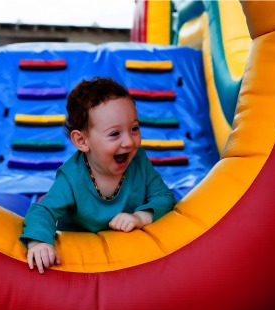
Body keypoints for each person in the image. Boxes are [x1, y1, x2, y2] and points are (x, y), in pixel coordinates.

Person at [20, 77, 176, 273]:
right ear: (82, 141)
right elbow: (43, 210)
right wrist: (38, 243)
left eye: (134, 128)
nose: (129, 141)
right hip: (83, 259)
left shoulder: (138, 162)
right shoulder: (72, 177)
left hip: (127, 255)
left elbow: (164, 197)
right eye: (114, 134)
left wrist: (140, 216)